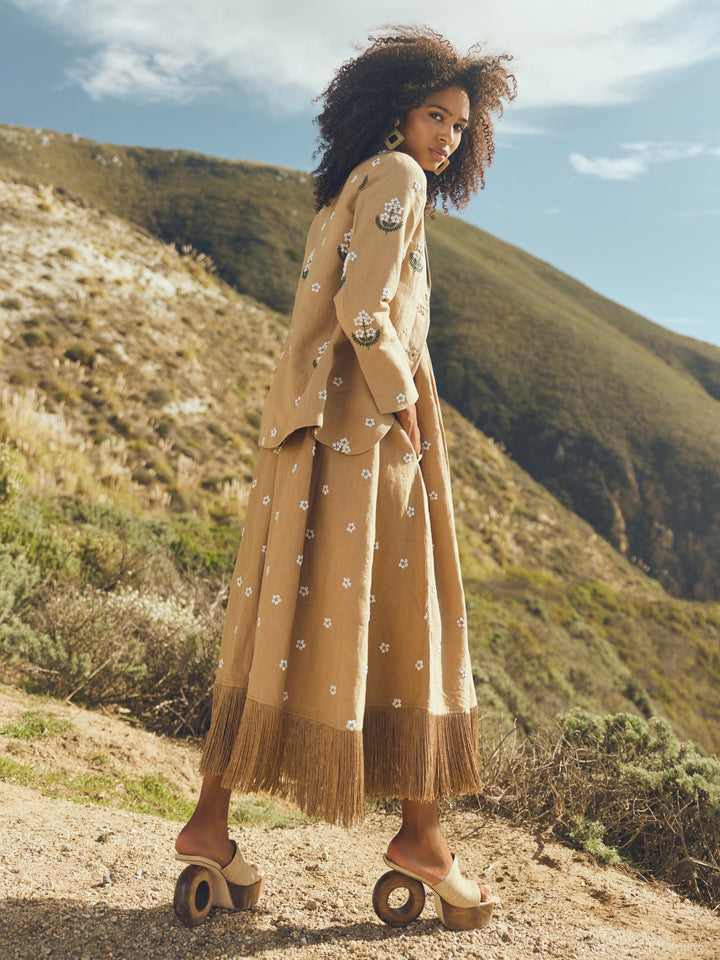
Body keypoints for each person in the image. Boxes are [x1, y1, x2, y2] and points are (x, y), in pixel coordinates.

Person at [175, 26, 515, 929]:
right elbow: (366, 310)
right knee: (414, 621)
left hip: (307, 435)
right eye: (433, 114)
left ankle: (209, 825)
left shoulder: (349, 188)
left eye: (459, 124)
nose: (444, 137)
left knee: (274, 615)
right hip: (364, 436)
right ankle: (423, 841)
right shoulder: (397, 179)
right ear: (396, 107)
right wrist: (405, 401)